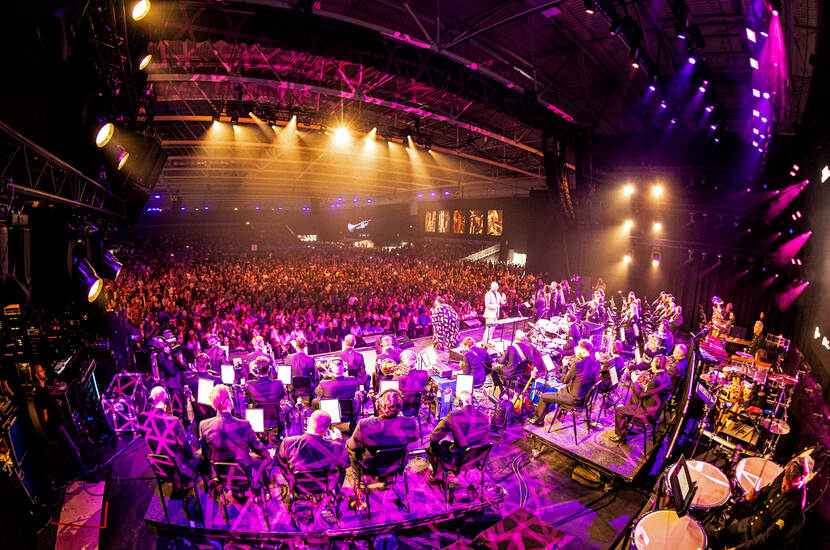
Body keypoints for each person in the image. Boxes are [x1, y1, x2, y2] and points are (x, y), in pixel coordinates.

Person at [706, 456, 810, 549]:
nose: (783, 486)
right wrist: (754, 498)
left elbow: (768, 537)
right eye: (784, 480)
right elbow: (765, 491)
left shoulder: (795, 504)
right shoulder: (786, 473)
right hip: (750, 523)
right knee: (713, 538)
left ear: (799, 482)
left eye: (789, 485)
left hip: (758, 542)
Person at [199, 384, 273, 486]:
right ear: (229, 402)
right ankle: (261, 488)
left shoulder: (203, 425)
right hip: (244, 474)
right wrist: (268, 455)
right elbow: (258, 448)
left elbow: (206, 454)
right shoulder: (244, 424)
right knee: (267, 459)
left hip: (222, 474)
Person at [32, 364, 90, 478]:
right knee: (72, 448)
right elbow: (44, 415)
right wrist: (49, 428)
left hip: (58, 424)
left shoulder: (43, 389)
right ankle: (85, 473)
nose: (44, 371)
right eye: (41, 371)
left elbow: (47, 403)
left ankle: (74, 474)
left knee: (67, 450)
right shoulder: (40, 392)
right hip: (56, 426)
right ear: (37, 376)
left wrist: (55, 402)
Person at [527, 340, 599, 426]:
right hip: (583, 398)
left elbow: (564, 381)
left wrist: (565, 366)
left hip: (573, 399)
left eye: (578, 349)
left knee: (544, 396)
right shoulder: (596, 364)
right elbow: (595, 380)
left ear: (583, 351)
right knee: (558, 392)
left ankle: (538, 419)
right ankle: (559, 413)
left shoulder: (578, 365)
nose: (577, 350)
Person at [138, 386, 202, 480]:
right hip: (177, 470)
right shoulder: (174, 421)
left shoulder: (141, 418)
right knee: (200, 452)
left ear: (150, 400)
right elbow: (188, 453)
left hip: (159, 467)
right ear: (167, 401)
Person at [277, 410, 350, 490]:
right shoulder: (336, 447)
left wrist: (290, 478)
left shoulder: (287, 442)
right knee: (341, 469)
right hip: (325, 486)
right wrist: (338, 440)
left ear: (308, 423)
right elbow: (346, 464)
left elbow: (281, 463)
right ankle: (334, 494)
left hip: (298, 487)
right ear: (326, 430)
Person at [346, 389, 418, 468]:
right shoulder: (411, 422)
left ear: (378, 406)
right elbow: (415, 439)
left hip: (371, 466)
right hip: (398, 463)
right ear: (400, 406)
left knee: (348, 447)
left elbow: (353, 446)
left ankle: (360, 475)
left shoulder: (364, 424)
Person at [426, 390, 489, 480]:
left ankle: (437, 476)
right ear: (472, 401)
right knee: (447, 443)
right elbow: (483, 438)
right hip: (476, 459)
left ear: (459, 402)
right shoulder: (485, 417)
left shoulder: (454, 416)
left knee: (431, 449)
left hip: (458, 460)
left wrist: (435, 447)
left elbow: (435, 436)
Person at [608, 356, 672, 443]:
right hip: (653, 406)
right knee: (632, 400)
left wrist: (635, 382)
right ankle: (625, 426)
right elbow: (652, 391)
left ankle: (620, 436)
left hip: (646, 412)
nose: (651, 364)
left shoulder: (655, 381)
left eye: (653, 363)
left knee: (619, 410)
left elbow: (641, 395)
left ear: (657, 365)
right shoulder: (667, 376)